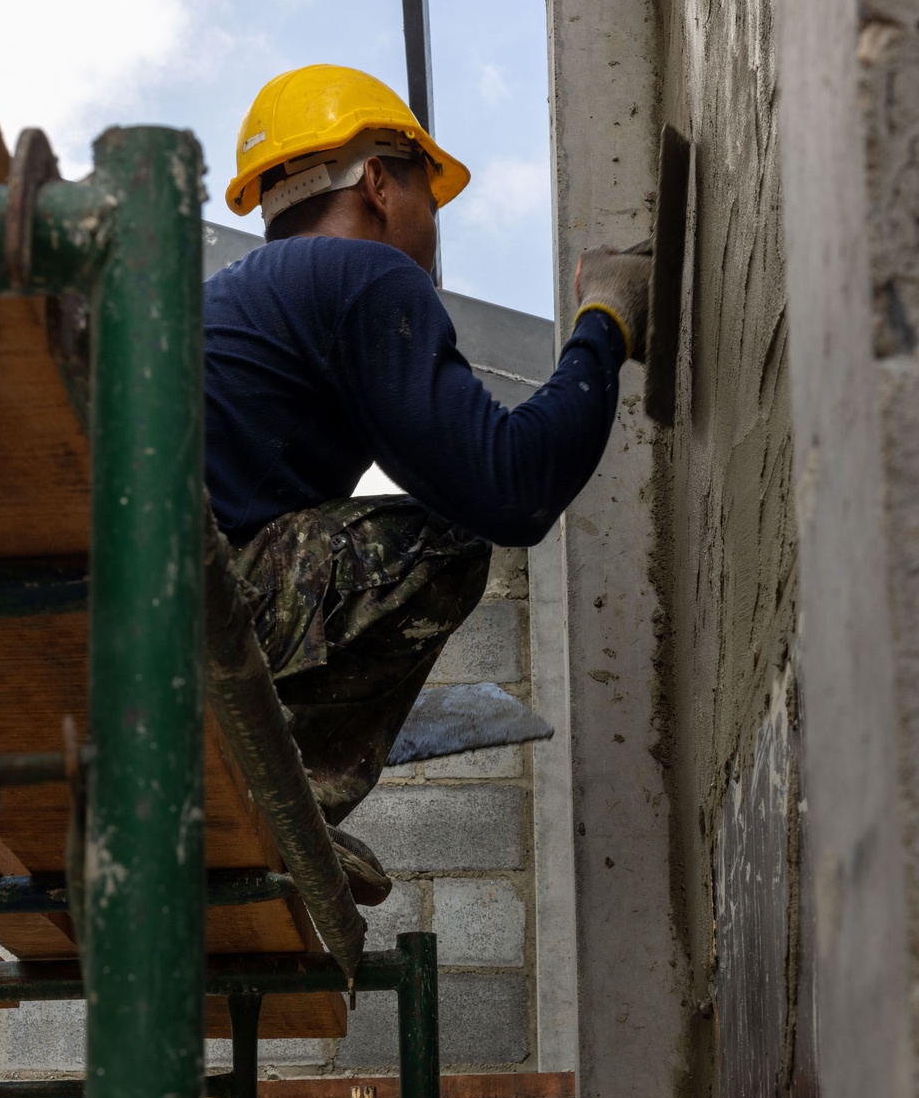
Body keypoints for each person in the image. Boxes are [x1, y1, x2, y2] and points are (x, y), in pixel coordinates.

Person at [204, 64, 649, 902]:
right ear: (378, 181)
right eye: (429, 202)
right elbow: (510, 487)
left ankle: (250, 787)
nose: (432, 234)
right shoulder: (362, 277)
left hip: (119, 640)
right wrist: (606, 323)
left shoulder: (243, 299)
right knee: (441, 537)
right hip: (189, 621)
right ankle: (279, 803)